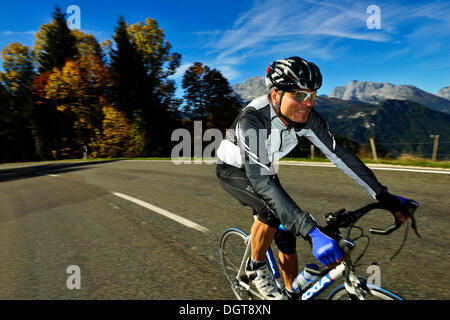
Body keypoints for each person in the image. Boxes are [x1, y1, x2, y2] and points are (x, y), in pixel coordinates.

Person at [216, 56, 415, 300]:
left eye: (312, 95)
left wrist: (381, 194)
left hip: (264, 168)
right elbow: (259, 181)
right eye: (299, 95)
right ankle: (255, 268)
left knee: (287, 233)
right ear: (275, 95)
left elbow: (339, 155)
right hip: (234, 169)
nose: (307, 103)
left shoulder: (307, 118)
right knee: (271, 211)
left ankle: (290, 293)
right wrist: (311, 231)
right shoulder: (254, 120)